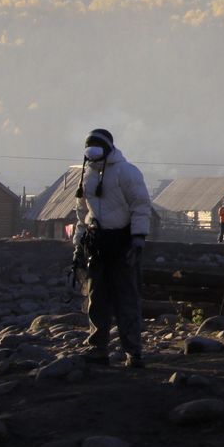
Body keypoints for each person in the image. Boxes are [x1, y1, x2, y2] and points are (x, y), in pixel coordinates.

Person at [76, 128, 151, 369]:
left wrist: (138, 237)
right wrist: (79, 244)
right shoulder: (87, 176)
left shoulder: (126, 172)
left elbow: (140, 205)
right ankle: (98, 349)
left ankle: (133, 351)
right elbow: (81, 213)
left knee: (126, 298)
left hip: (123, 243)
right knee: (97, 299)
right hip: (97, 243)